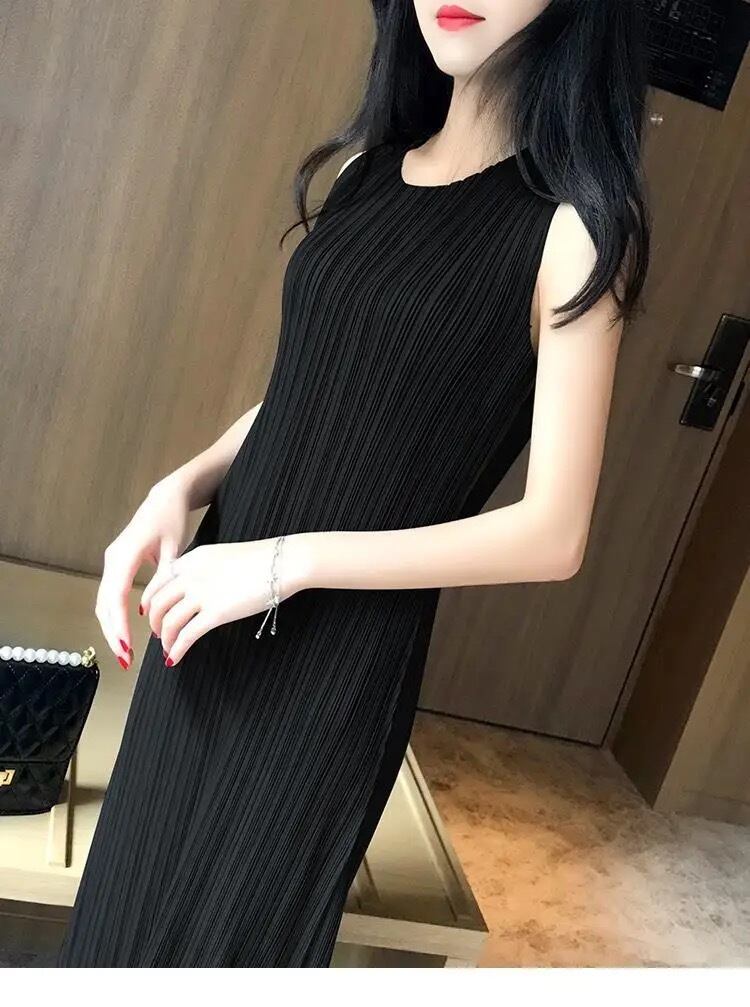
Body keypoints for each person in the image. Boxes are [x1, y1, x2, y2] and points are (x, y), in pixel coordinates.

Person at [57, 0, 650, 967]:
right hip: (211, 611)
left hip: (329, 671)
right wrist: (182, 483)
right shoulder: (370, 170)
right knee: (118, 923)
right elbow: (309, 394)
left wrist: (286, 563)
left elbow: (553, 533)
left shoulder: (575, 233)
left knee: (224, 951)